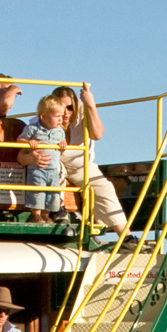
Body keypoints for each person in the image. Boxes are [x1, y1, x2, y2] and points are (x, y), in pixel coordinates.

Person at [50, 84, 129, 240]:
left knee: (105, 187)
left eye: (70, 107)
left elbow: (97, 134)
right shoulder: (47, 118)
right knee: (54, 169)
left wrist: (90, 104)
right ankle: (58, 211)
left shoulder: (82, 116)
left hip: (81, 166)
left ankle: (126, 237)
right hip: (57, 163)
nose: (66, 113)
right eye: (62, 107)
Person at [18, 96, 68, 224]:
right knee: (37, 191)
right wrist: (29, 142)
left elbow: (62, 144)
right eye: (57, 116)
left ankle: (46, 215)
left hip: (53, 169)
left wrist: (63, 144)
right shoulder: (33, 128)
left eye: (61, 116)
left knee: (53, 194)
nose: (60, 119)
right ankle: (36, 215)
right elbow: (20, 140)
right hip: (37, 169)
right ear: (43, 117)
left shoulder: (60, 131)